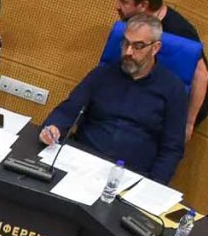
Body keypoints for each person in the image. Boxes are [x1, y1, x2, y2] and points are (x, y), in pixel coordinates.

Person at [38, 15, 189, 186]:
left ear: (155, 48)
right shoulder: (102, 75)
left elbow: (171, 149)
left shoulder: (173, 90)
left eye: (138, 46)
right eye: (125, 43)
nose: (128, 52)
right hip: (82, 163)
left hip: (130, 176)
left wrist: (151, 186)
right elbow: (68, 111)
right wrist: (53, 128)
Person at [116, 0, 208, 130]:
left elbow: (202, 76)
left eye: (124, 2)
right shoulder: (132, 21)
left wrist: (188, 124)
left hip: (173, 108)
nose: (117, 6)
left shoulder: (179, 31)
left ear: (143, 5)